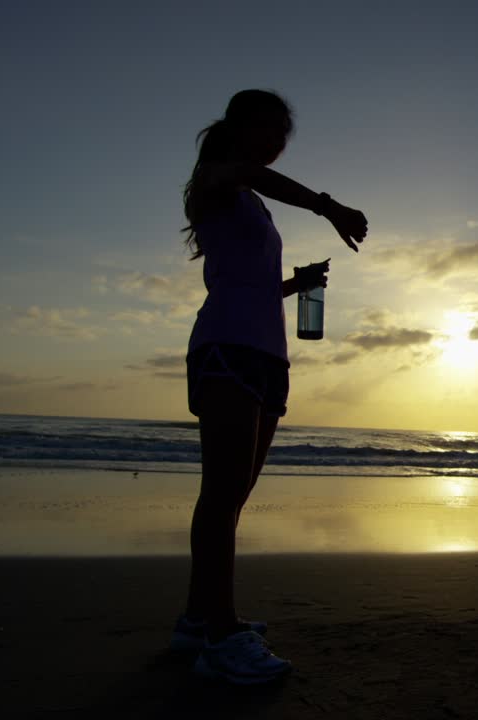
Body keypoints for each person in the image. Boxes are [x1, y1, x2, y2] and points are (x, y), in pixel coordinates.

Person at [171, 89, 368, 683]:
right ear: (239, 128)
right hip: (227, 347)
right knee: (222, 493)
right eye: (270, 129)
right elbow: (248, 177)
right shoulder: (217, 177)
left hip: (265, 352)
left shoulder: (253, 197)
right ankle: (222, 636)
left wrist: (295, 283)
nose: (278, 142)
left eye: (285, 133)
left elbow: (251, 281)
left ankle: (199, 618)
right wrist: (328, 206)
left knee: (234, 497)